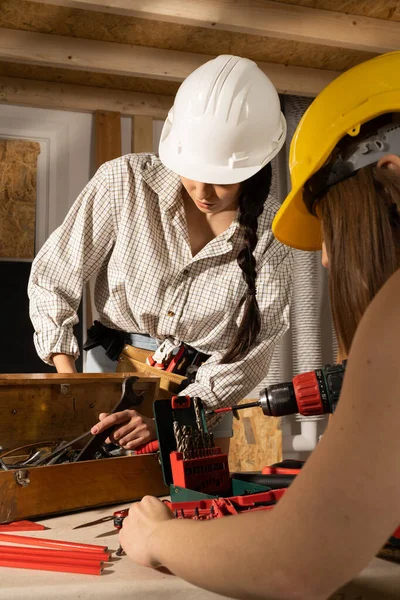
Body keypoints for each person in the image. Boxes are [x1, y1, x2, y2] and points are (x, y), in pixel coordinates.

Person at [118, 51, 400, 600]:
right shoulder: (122, 185)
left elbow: (295, 561)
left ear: (389, 173)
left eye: (334, 220)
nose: (324, 258)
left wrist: (157, 537)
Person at [28, 55, 293, 451]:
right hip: (110, 379)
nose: (203, 193)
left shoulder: (273, 232)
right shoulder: (125, 182)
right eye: (193, 171)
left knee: (194, 499)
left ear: (254, 166)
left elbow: (253, 351)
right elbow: (53, 277)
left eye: (221, 180)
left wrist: (173, 416)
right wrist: (74, 385)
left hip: (206, 393)